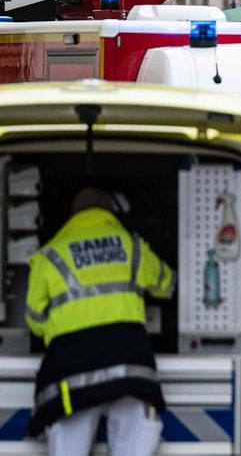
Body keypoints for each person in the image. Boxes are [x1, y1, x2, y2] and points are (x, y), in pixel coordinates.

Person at [26, 187, 174, 454]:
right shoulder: (133, 246)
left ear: (74, 216)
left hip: (73, 373)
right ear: (110, 213)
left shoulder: (49, 256)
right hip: (129, 370)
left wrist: (60, 330)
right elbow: (168, 285)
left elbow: (34, 319)